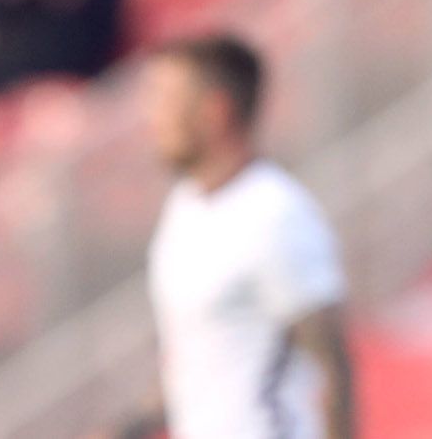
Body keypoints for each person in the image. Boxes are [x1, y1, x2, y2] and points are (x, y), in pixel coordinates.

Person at [136, 36, 355, 439]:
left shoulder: (275, 215)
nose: (153, 119)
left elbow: (331, 366)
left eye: (166, 101)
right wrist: (130, 427)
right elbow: (203, 355)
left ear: (215, 111)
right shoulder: (185, 205)